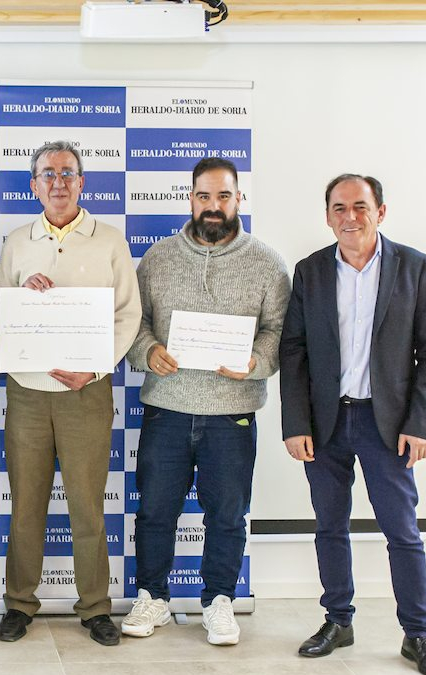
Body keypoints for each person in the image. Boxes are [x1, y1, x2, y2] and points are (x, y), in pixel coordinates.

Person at [280, 174, 426, 675]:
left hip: (388, 424)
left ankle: (418, 635)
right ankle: (338, 619)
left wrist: (421, 423)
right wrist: (295, 422)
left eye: (360, 206)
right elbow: (294, 351)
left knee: (402, 531)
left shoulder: (415, 268)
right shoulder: (310, 271)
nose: (349, 217)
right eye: (339, 208)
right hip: (326, 422)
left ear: (381, 211)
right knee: (330, 525)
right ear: (327, 214)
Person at [123, 157, 289, 646]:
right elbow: (136, 324)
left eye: (223, 196)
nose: (212, 206)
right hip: (167, 409)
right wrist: (149, 351)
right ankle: (153, 597)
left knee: (228, 514)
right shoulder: (157, 258)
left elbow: (279, 331)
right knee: (155, 510)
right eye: (203, 196)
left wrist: (255, 361)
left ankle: (219, 600)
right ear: (190, 199)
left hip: (232, 413)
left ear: (239, 199)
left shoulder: (266, 262)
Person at [0, 140, 141, 647]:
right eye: (47, 174)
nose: (58, 182)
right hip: (28, 393)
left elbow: (128, 315)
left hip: (86, 394)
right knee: (26, 505)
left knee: (87, 506)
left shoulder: (110, 241)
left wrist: (96, 370)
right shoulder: (16, 241)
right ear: (33, 185)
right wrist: (16, 299)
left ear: (82, 183)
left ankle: (95, 607)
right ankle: (19, 604)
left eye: (67, 173)